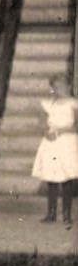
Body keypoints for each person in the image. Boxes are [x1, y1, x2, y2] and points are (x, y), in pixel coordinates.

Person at [31, 74, 77, 229]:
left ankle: (66, 214)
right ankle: (51, 213)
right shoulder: (49, 104)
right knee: (51, 178)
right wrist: (45, 131)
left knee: (66, 179)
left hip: (67, 142)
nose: (58, 90)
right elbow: (41, 120)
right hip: (51, 142)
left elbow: (76, 126)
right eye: (55, 87)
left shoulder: (74, 104)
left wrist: (62, 131)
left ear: (69, 87)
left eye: (61, 86)